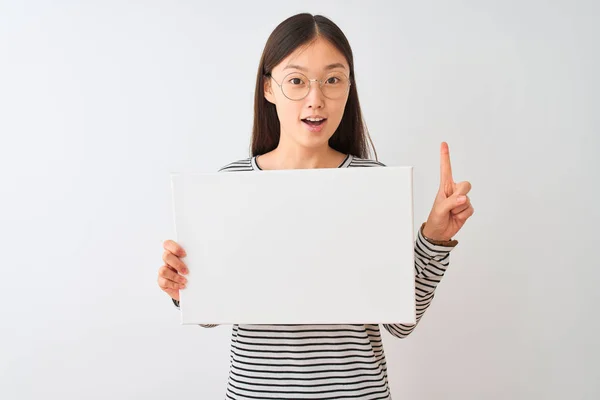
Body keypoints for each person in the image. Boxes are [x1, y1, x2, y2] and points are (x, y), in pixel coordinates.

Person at [157, 12, 474, 400]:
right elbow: (210, 316)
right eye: (296, 80)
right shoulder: (230, 183)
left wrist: (435, 238)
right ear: (268, 88)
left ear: (349, 87)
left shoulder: (372, 183)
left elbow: (399, 325)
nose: (316, 99)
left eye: (333, 80)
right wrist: (182, 288)